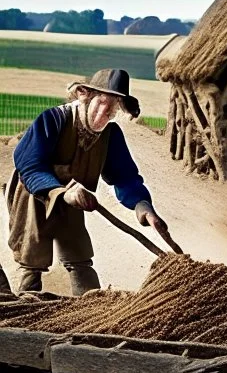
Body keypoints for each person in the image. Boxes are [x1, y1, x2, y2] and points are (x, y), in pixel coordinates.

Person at [6, 69, 169, 295]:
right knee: (32, 255)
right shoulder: (53, 120)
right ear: (85, 95)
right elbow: (29, 164)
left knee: (79, 254)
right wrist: (60, 192)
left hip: (75, 196)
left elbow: (125, 177)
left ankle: (90, 308)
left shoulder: (111, 136)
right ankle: (27, 309)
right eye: (102, 101)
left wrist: (143, 206)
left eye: (115, 104)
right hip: (34, 193)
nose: (106, 111)